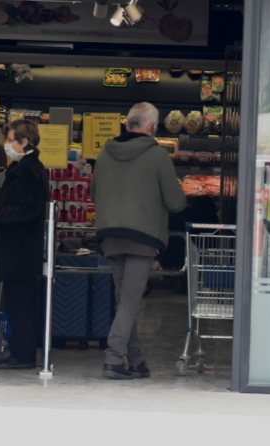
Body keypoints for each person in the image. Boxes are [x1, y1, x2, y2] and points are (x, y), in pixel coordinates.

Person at [91, 102, 186, 379]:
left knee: (124, 301)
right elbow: (176, 201)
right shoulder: (158, 156)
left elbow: (94, 193)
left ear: (127, 123)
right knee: (130, 302)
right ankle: (112, 358)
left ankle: (137, 360)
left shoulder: (105, 154)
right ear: (152, 127)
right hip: (142, 236)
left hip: (110, 235)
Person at [0, 119, 49, 369]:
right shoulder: (23, 168)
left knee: (21, 305)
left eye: (10, 140)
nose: (6, 145)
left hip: (21, 248)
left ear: (24, 142)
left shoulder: (29, 171)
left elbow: (27, 210)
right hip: (18, 248)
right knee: (18, 303)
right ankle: (21, 351)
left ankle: (23, 355)